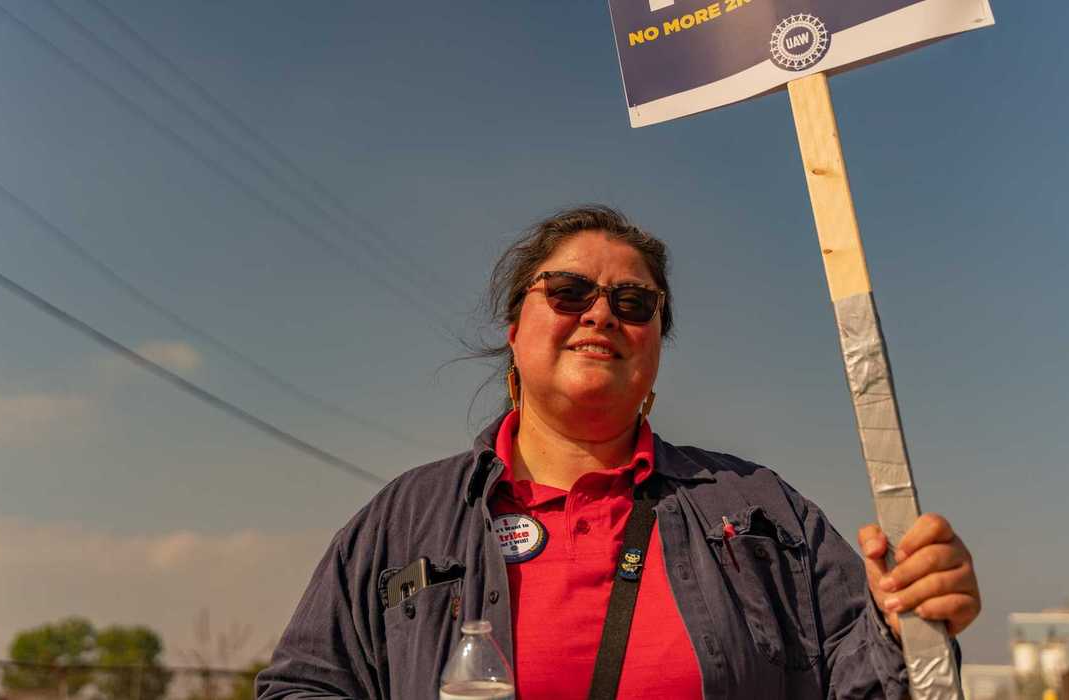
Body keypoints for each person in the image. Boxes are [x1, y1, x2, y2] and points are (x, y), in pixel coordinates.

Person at [256, 205, 981, 699]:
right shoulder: (404, 519)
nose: (600, 312)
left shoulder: (762, 510)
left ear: (656, 342)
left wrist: (908, 621)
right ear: (514, 327)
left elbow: (868, 684)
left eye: (634, 303)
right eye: (569, 291)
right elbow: (306, 683)